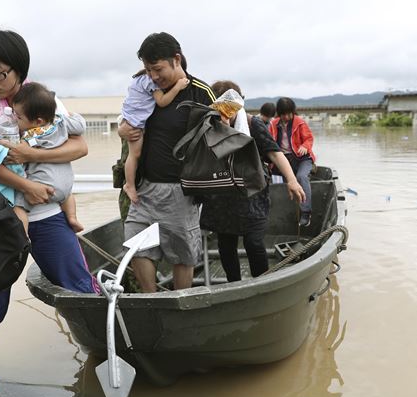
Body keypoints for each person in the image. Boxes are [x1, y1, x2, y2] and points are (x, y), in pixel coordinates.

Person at [0, 30, 98, 397]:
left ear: (19, 70)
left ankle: (101, 360)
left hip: (48, 215)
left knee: (79, 285)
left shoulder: (40, 97)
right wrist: (25, 184)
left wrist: (27, 156)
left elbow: (80, 145)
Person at [118, 32, 215, 292]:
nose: (153, 76)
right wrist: (121, 131)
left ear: (176, 59)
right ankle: (152, 300)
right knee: (136, 245)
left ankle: (180, 300)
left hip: (179, 190)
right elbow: (130, 118)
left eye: (158, 69)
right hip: (144, 188)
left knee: (181, 252)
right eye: (148, 70)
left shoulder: (200, 92)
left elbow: (219, 137)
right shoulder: (147, 88)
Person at [200, 81, 306, 282]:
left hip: (252, 193)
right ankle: (233, 285)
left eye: (231, 107)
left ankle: (262, 283)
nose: (226, 112)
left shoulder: (251, 124)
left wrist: (292, 180)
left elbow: (275, 154)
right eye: (221, 107)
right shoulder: (207, 125)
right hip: (222, 195)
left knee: (254, 242)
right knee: (226, 244)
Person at [11, 82, 84, 232]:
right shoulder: (61, 123)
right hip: (65, 184)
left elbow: (18, 158)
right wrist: (72, 115)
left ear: (38, 121)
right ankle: (72, 217)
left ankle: (23, 235)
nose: (15, 120)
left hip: (43, 186)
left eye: (18, 117)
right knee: (68, 195)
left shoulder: (29, 137)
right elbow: (80, 126)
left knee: (17, 204)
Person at [121, 70, 190, 204]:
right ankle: (129, 185)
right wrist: (178, 86)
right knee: (134, 154)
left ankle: (130, 184)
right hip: (135, 122)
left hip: (130, 117)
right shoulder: (150, 81)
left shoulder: (139, 78)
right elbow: (162, 101)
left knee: (134, 154)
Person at [269, 97, 316, 227]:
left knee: (301, 177)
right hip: (284, 160)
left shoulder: (300, 123)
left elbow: (309, 138)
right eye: (284, 114)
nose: (287, 116)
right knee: (279, 182)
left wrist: (305, 147)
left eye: (290, 113)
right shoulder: (273, 124)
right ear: (279, 113)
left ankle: (306, 212)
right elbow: (269, 142)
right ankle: (284, 214)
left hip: (302, 158)